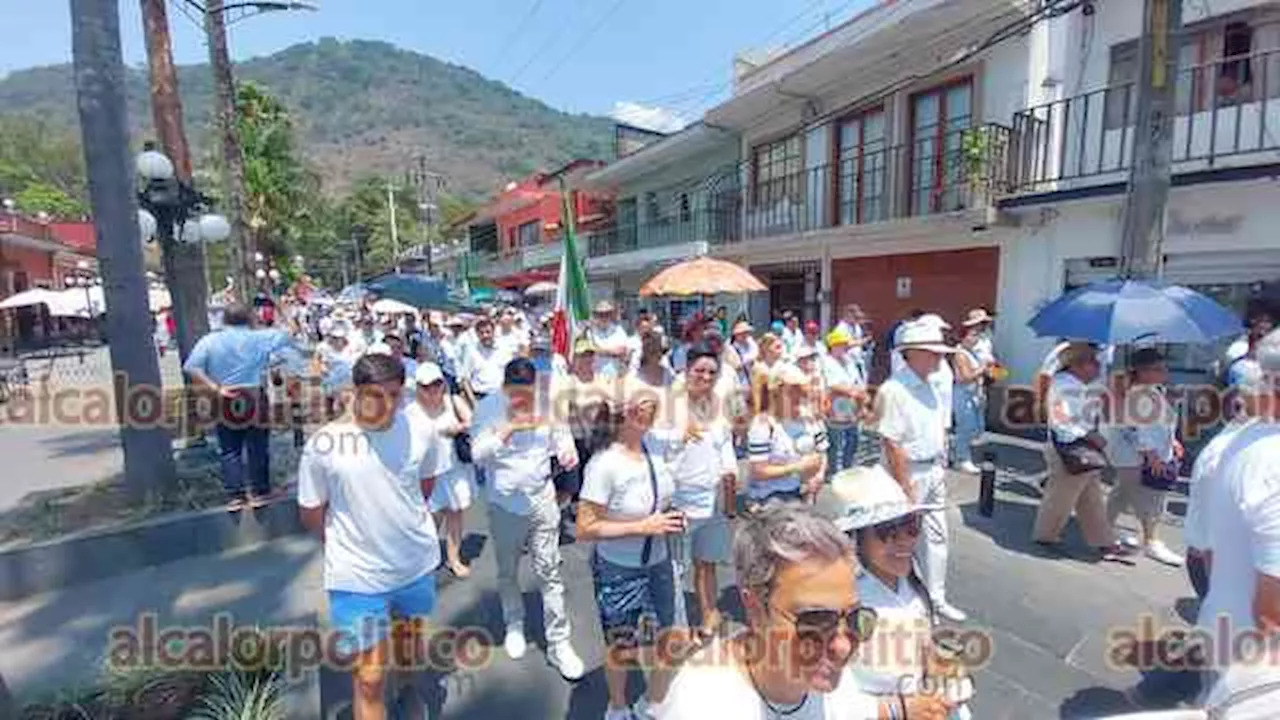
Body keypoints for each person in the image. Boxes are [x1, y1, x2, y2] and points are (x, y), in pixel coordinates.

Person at [296, 353, 441, 720]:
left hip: (415, 566)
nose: (389, 405)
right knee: (369, 677)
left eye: (396, 395)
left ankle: (408, 692)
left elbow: (423, 486)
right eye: (378, 395)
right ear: (355, 392)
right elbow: (311, 512)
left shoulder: (422, 430)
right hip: (357, 577)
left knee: (408, 649)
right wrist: (347, 542)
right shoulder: (325, 444)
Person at [658, 504, 881, 719]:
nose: (843, 647)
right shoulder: (699, 706)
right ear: (755, 608)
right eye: (817, 622)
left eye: (855, 619)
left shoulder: (835, 683)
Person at [470, 358, 585, 679]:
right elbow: (477, 454)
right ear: (505, 388)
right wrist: (508, 429)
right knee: (508, 570)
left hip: (541, 499)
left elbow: (562, 438)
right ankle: (514, 622)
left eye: (528, 393)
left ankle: (559, 642)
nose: (523, 400)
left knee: (549, 570)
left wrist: (567, 451)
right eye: (516, 394)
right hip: (505, 504)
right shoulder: (488, 408)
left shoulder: (547, 405)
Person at [578, 394, 687, 720]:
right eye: (641, 410)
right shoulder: (604, 463)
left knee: (671, 637)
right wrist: (644, 525)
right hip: (619, 568)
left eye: (652, 409)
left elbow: (661, 498)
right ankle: (618, 705)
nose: (648, 416)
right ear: (622, 415)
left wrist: (671, 517)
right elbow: (585, 528)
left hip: (659, 562)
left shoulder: (654, 449)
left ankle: (652, 703)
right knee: (622, 644)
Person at [833, 466, 971, 719]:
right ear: (858, 537)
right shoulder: (845, 600)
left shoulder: (910, 580)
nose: (905, 541)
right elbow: (829, 697)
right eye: (887, 531)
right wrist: (900, 710)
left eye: (911, 526)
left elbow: (924, 645)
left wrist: (945, 670)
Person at [873, 318, 967, 622]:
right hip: (908, 472)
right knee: (903, 540)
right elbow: (892, 442)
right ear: (911, 353)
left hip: (932, 468)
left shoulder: (930, 386)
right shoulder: (894, 390)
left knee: (937, 536)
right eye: (932, 352)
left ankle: (936, 598)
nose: (939, 357)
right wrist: (905, 486)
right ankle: (905, 598)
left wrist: (940, 462)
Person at [184, 302, 303, 511]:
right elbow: (292, 331)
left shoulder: (210, 340)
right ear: (249, 319)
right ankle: (260, 492)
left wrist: (215, 388)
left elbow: (191, 366)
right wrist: (283, 309)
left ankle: (235, 496)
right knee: (257, 445)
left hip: (224, 395)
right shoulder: (260, 337)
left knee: (229, 448)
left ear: (224, 320)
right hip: (253, 394)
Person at [655, 342, 737, 642]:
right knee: (675, 570)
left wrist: (730, 490)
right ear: (685, 370)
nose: (705, 377)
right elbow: (652, 445)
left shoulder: (718, 406)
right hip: (680, 501)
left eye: (711, 372)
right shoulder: (668, 405)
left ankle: (707, 616)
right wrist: (678, 433)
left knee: (708, 563)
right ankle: (676, 627)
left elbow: (725, 447)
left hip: (713, 499)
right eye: (699, 370)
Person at [1032, 343, 1128, 561]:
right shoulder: (1062, 386)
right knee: (1061, 498)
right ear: (1078, 365)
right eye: (1093, 362)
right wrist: (1088, 434)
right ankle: (1046, 535)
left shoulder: (1085, 385)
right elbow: (1060, 421)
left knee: (1090, 499)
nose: (1097, 366)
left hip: (1082, 448)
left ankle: (1104, 541)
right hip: (1068, 447)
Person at [1104, 348, 1185, 567]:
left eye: (1164, 367)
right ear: (1142, 371)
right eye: (1158, 368)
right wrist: (1151, 455)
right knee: (1149, 499)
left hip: (1137, 453)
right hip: (1135, 455)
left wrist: (1172, 441)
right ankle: (1152, 540)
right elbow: (1140, 428)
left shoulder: (1152, 390)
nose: (1164, 371)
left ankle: (1102, 528)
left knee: (1122, 493)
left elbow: (1159, 424)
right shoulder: (1140, 394)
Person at [408, 362, 475, 578]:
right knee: (430, 518)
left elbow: (473, 421)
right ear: (418, 387)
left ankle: (453, 559)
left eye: (437, 384)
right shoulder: (410, 411)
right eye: (426, 386)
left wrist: (458, 428)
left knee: (455, 514)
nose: (432, 390)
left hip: (453, 467)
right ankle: (423, 560)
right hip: (427, 473)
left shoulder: (452, 402)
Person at [747, 363, 828, 507]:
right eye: (791, 391)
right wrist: (798, 467)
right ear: (776, 393)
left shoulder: (810, 418)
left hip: (804, 493)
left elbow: (822, 450)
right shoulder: (763, 425)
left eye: (801, 390)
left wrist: (819, 475)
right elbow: (758, 471)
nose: (798, 396)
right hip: (772, 498)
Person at [821, 328, 866, 477]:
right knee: (835, 441)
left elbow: (857, 381)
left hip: (852, 405)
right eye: (841, 344)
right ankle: (834, 471)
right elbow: (834, 385)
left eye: (845, 344)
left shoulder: (849, 361)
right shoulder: (826, 361)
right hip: (835, 405)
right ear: (832, 346)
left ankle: (848, 468)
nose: (845, 347)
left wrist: (860, 398)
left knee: (853, 439)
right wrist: (854, 392)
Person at [951, 321, 990, 474]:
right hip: (963, 394)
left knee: (977, 429)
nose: (976, 338)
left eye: (977, 335)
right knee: (965, 428)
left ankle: (955, 448)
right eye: (973, 335)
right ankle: (961, 459)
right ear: (963, 337)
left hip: (975, 393)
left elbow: (985, 371)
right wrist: (982, 369)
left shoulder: (973, 353)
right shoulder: (960, 354)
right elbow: (965, 377)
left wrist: (993, 372)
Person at [460, 317, 511, 406]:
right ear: (477, 334)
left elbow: (510, 374)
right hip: (479, 397)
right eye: (481, 333)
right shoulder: (471, 351)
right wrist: (474, 403)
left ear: (493, 332)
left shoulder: (504, 349)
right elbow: (465, 379)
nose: (485, 335)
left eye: (488, 332)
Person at [588, 300, 632, 379]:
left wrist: (602, 351)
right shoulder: (590, 332)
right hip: (596, 374)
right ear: (596, 316)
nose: (604, 317)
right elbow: (591, 350)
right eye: (601, 315)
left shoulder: (618, 330)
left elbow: (623, 350)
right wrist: (612, 352)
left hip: (615, 374)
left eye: (607, 314)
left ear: (610, 315)